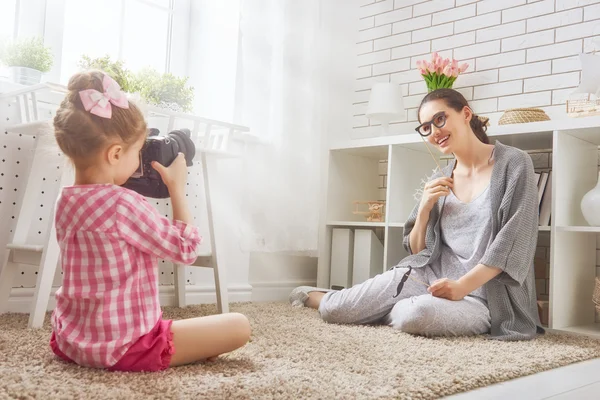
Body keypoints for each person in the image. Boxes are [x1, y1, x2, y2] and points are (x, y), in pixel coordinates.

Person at [290, 88, 543, 341]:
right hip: (425, 278)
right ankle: (319, 295)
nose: (434, 132)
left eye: (439, 120)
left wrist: (461, 287)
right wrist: (424, 209)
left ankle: (381, 308)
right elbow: (418, 251)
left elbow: (513, 242)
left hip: (479, 295)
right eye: (426, 127)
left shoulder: (514, 163)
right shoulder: (440, 177)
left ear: (466, 113)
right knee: (334, 310)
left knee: (416, 314)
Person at [49, 70, 251, 372]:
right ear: (116, 153)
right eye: (137, 151)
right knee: (239, 325)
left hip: (72, 341)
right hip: (127, 346)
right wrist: (176, 189)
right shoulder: (124, 204)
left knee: (190, 328)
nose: (139, 160)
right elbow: (185, 250)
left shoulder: (64, 201)